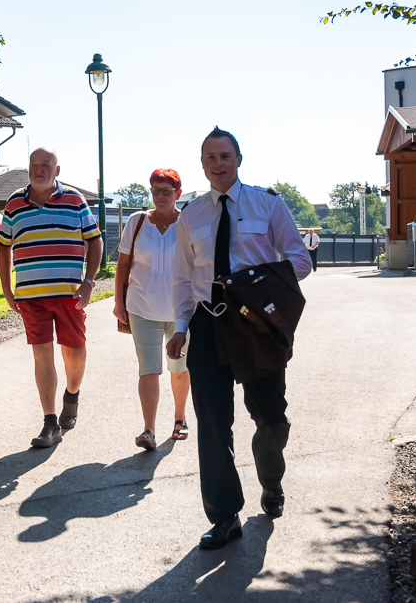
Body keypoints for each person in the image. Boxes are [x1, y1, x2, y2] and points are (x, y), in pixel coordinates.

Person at [167, 127, 311, 550]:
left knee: (271, 419)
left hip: (255, 325)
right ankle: (224, 515)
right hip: (208, 322)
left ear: (239, 160)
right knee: (213, 424)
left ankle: (271, 481)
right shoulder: (191, 215)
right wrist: (180, 327)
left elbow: (299, 260)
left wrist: (259, 285)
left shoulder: (268, 204)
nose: (218, 164)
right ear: (202, 164)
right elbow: (182, 278)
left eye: (225, 156)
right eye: (210, 157)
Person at [0, 148, 104, 449]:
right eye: (34, 165)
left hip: (70, 295)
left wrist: (89, 282)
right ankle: (50, 422)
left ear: (57, 170)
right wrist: (7, 289)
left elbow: (95, 241)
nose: (39, 169)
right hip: (31, 296)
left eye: (46, 165)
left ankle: (72, 394)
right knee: (42, 355)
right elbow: (3, 246)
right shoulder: (14, 203)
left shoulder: (75, 200)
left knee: (75, 353)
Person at [113, 169, 192, 452]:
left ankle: (180, 419)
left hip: (180, 312)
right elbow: (123, 264)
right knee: (148, 369)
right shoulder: (137, 222)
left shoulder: (188, 224)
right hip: (141, 308)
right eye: (155, 190)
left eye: (166, 191)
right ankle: (149, 430)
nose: (160, 196)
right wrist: (119, 302)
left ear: (178, 194)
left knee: (179, 368)